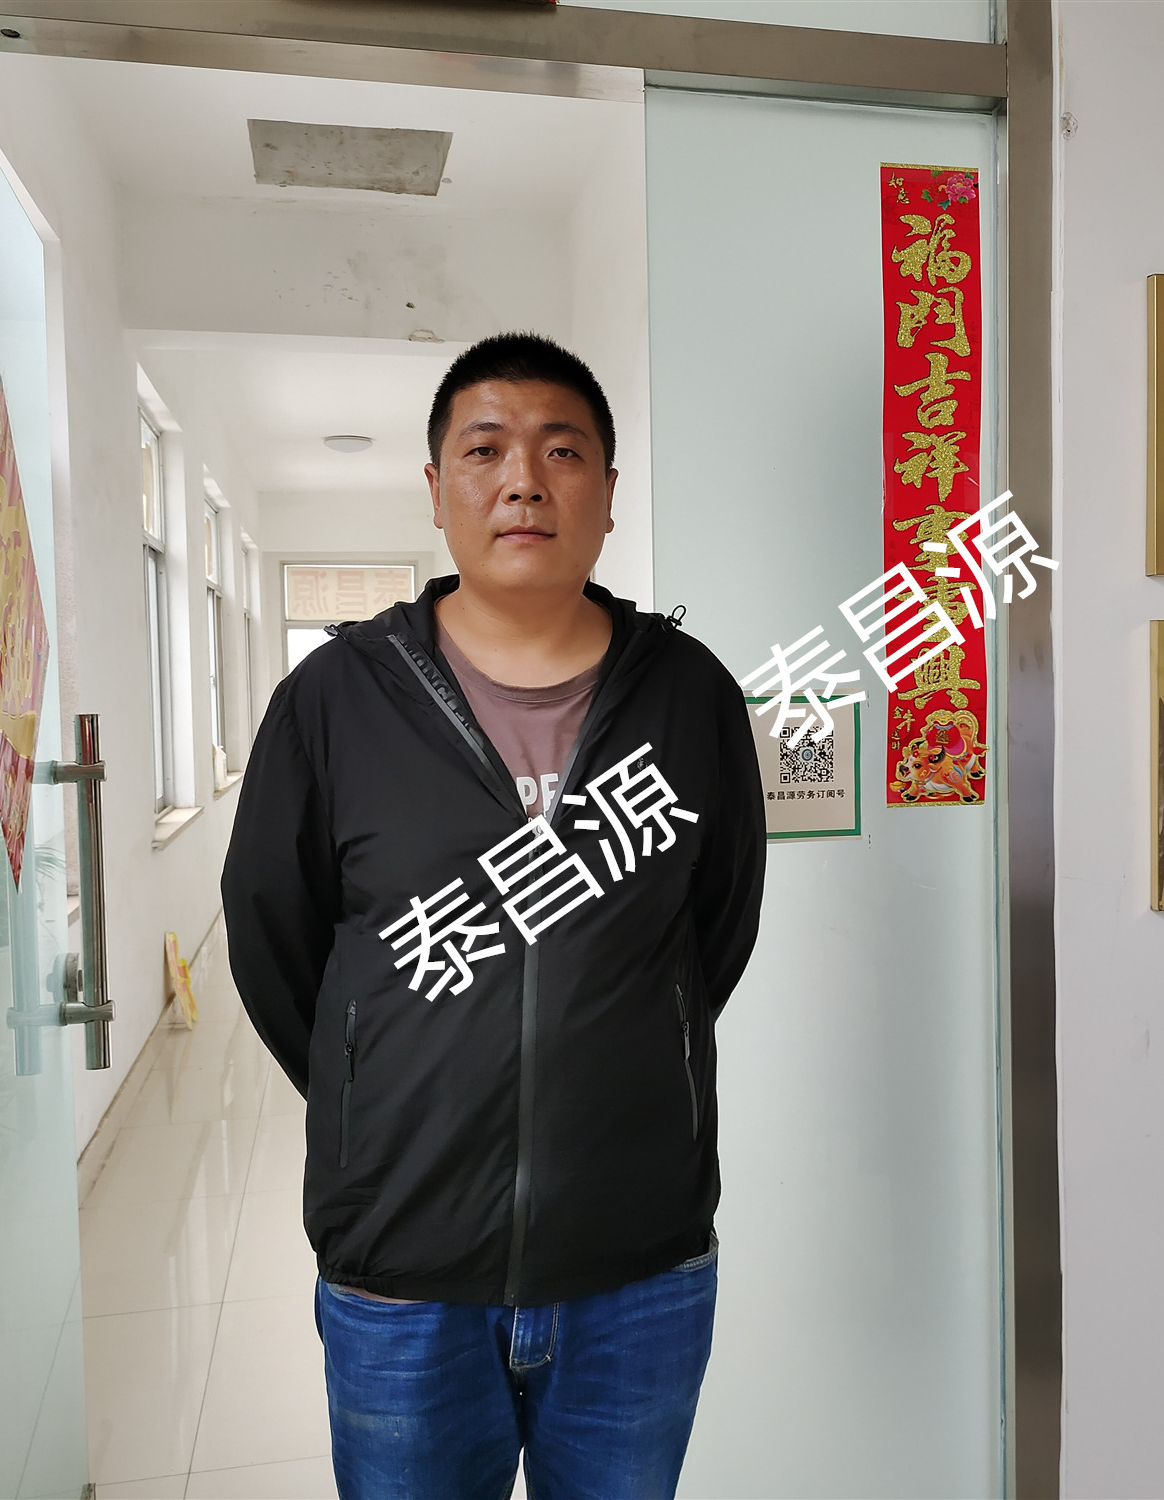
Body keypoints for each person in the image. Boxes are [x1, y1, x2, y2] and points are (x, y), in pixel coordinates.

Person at [222, 332, 766, 1500]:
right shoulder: (333, 702)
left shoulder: (690, 698)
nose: (523, 480)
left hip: (637, 1264)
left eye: (560, 451)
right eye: (484, 451)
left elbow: (711, 931)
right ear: (435, 489)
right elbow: (277, 942)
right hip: (401, 1271)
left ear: (607, 493)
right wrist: (377, 1077)